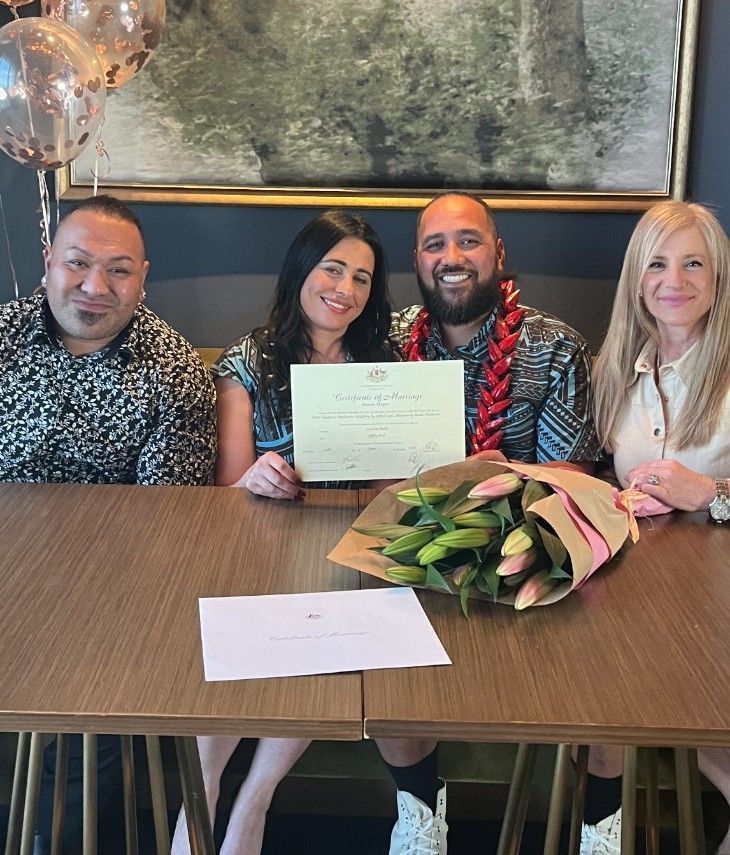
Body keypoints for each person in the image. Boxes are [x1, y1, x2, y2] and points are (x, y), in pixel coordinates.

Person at [172, 210, 399, 855]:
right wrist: (257, 478)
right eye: (333, 269)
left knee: (337, 618)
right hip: (258, 545)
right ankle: (203, 792)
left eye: (362, 278)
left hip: (346, 551)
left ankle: (256, 799)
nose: (345, 289)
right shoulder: (249, 361)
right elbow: (230, 488)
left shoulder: (381, 364)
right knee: (246, 626)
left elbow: (391, 488)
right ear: (302, 270)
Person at [381, 191, 602, 853]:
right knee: (376, 611)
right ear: (417, 261)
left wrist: (493, 478)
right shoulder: (387, 341)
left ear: (498, 253)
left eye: (468, 240)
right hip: (412, 555)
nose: (451, 257)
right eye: (435, 244)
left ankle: (600, 820)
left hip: (524, 558)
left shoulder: (553, 346)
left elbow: (575, 478)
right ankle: (419, 809)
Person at [0, 194, 217, 853]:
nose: (95, 286)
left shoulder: (173, 370)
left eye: (118, 269)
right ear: (48, 262)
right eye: (78, 263)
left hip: (108, 595)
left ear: (142, 277)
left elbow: (164, 523)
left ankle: (58, 837)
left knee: (89, 702)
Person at [585, 199, 730, 855]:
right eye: (658, 265)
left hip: (717, 606)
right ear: (637, 280)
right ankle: (599, 834)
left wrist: (711, 494)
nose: (675, 281)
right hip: (636, 597)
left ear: (717, 275)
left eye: (693, 264)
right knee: (600, 704)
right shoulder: (615, 368)